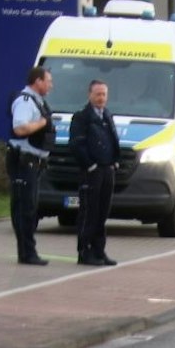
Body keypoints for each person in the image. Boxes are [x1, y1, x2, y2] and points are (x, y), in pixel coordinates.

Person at [7, 65, 55, 266]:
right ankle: (27, 253)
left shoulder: (38, 101)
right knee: (24, 208)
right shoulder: (25, 101)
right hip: (23, 161)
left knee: (30, 207)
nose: (51, 85)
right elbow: (19, 128)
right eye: (48, 81)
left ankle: (28, 251)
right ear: (38, 81)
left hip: (34, 162)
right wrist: (42, 124)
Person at [70, 79, 119, 267]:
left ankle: (99, 251)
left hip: (107, 170)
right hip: (91, 172)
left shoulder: (107, 115)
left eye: (104, 94)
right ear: (89, 95)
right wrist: (89, 165)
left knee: (102, 212)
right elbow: (76, 144)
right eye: (98, 94)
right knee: (89, 212)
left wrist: (115, 162)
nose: (101, 98)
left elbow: (113, 140)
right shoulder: (81, 117)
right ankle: (85, 251)